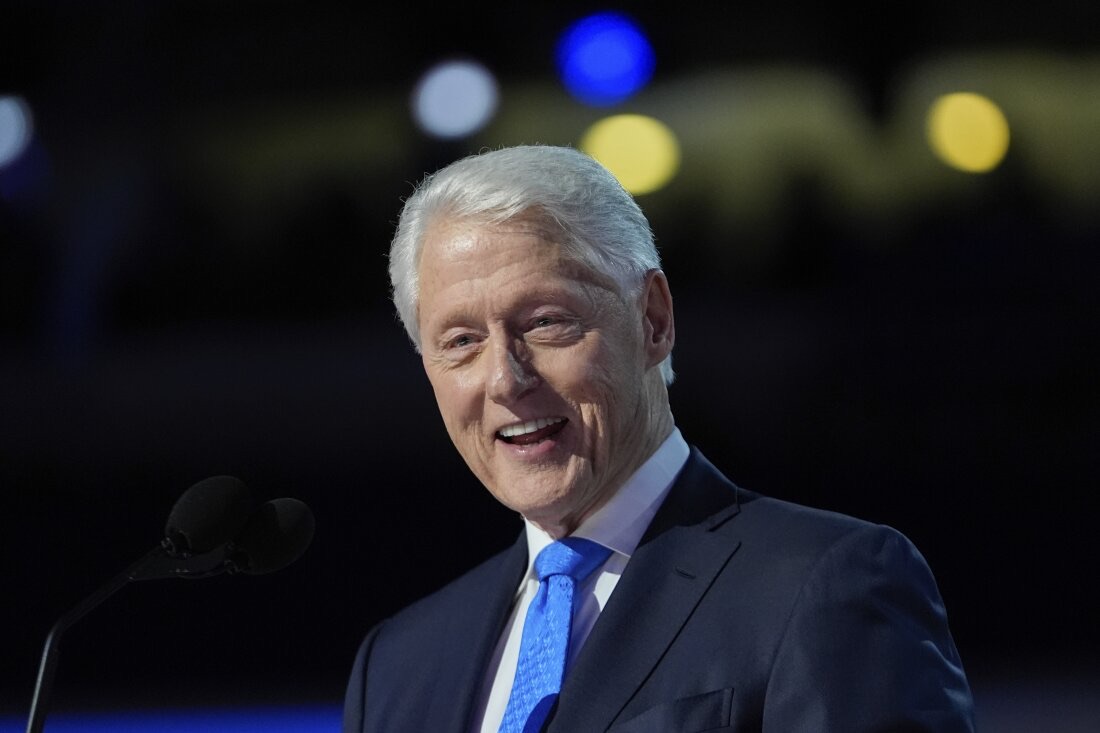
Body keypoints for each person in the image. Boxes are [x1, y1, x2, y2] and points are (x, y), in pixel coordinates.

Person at [343, 145, 975, 732]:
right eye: (460, 342)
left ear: (653, 319)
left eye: (545, 322)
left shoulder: (824, 587)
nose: (506, 379)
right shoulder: (397, 665)